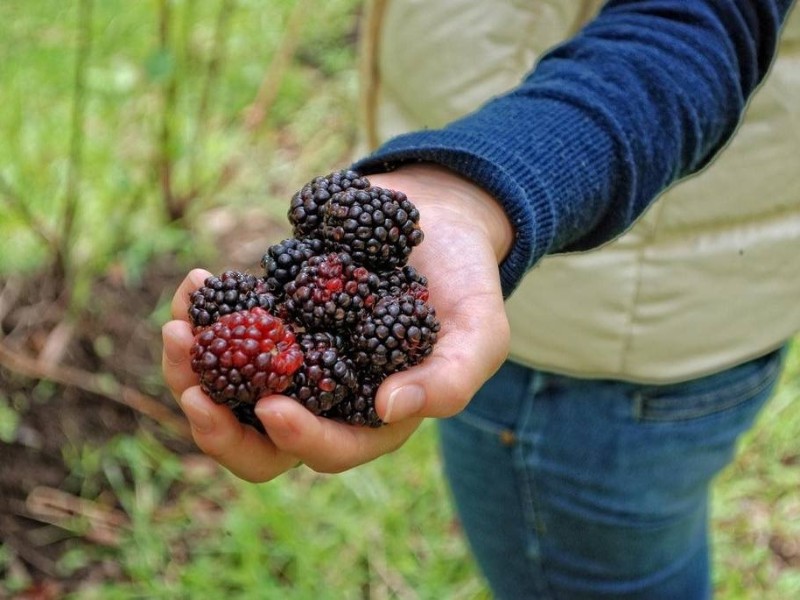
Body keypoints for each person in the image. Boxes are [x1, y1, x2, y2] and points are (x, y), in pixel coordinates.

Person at [162, 1, 800, 598]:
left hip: (610, 346)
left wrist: (479, 186)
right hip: (566, 296)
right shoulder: (357, 300)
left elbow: (695, 27)